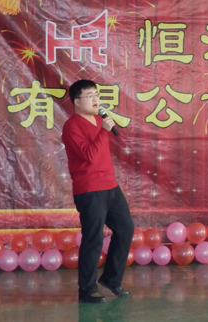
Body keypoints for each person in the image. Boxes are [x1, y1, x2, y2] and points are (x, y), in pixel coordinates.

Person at [62, 80, 134, 303]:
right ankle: (87, 289)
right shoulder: (72, 126)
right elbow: (90, 156)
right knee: (93, 238)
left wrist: (103, 129)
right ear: (77, 102)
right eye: (89, 95)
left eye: (96, 95)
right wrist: (104, 131)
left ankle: (111, 279)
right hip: (89, 189)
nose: (95, 99)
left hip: (110, 185)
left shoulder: (99, 121)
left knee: (125, 228)